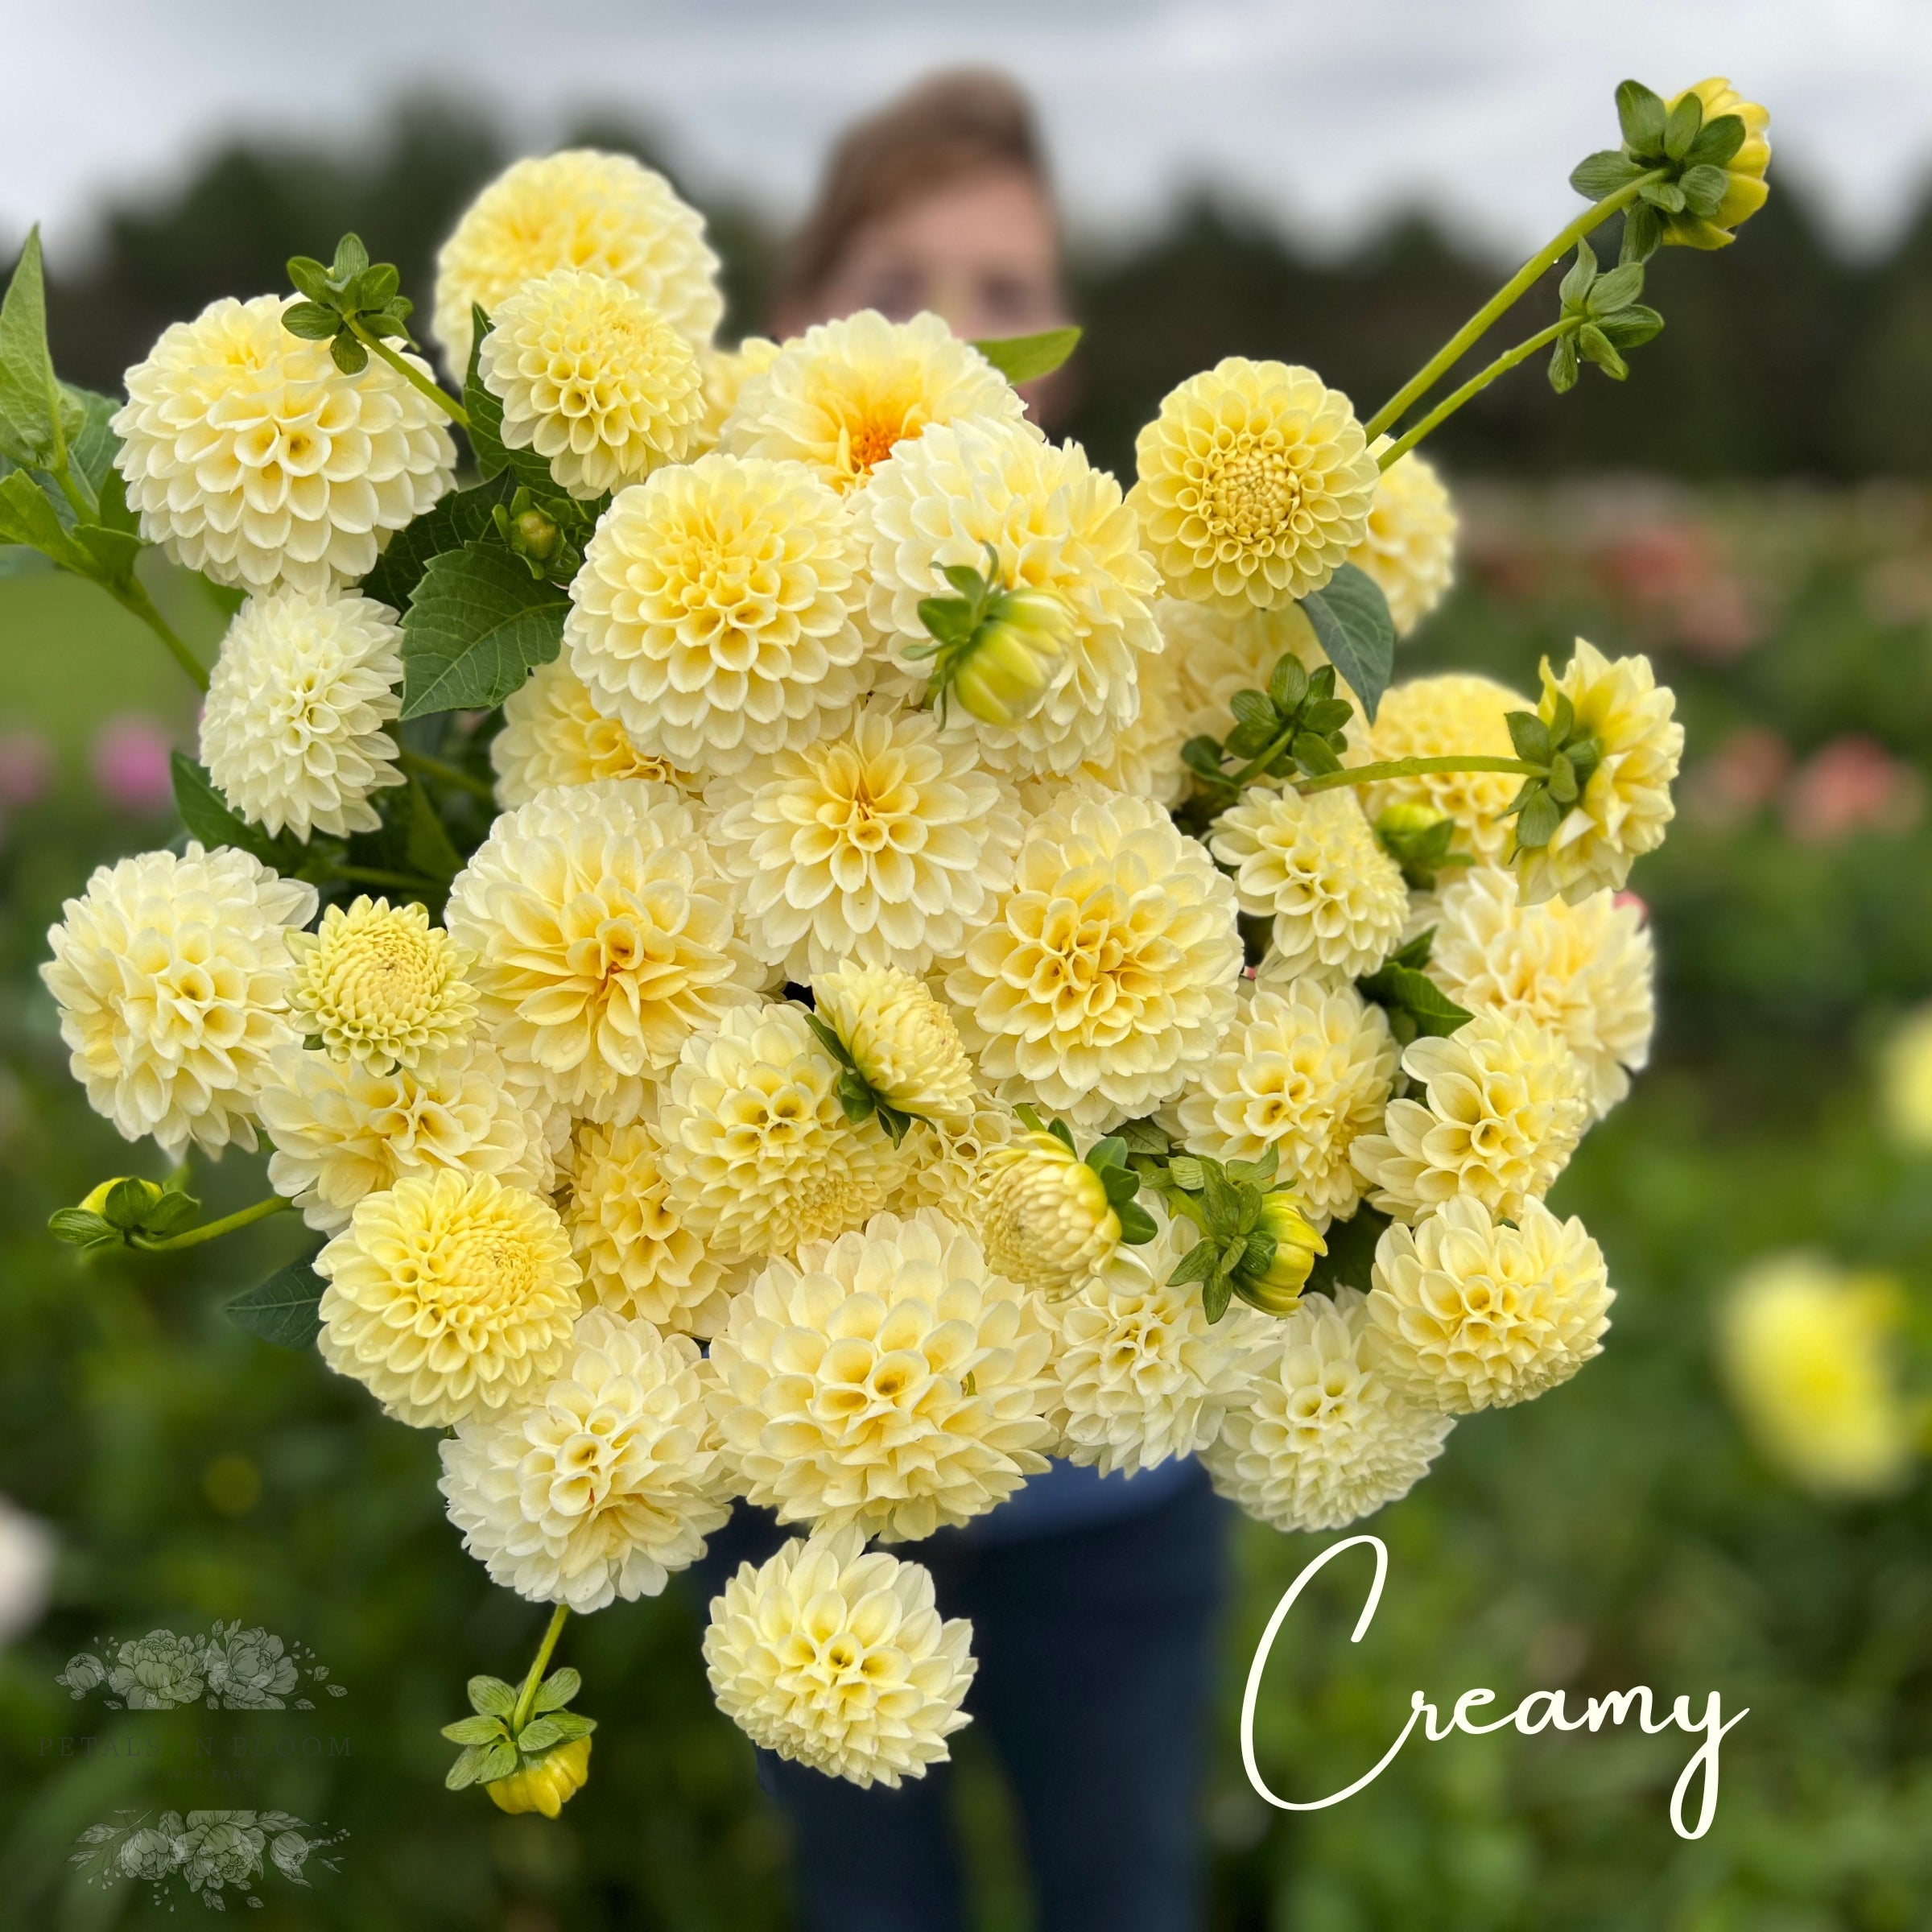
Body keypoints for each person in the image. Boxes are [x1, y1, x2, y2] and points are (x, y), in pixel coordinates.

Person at [691, 70, 1231, 1932]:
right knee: (866, 1895)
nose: (945, 324)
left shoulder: (1161, 632)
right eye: (895, 271)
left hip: (1109, 1485)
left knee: (1124, 1889)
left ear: (1061, 361)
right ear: (794, 318)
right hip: (796, 1474)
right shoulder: (684, 660)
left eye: (1005, 289)